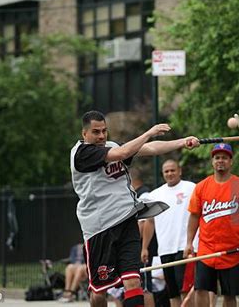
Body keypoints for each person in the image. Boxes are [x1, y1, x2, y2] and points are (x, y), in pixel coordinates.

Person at [70, 110, 199, 307]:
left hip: (127, 220)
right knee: (99, 292)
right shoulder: (82, 153)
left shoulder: (111, 145)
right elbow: (122, 153)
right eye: (96, 132)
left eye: (104, 131)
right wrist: (149, 131)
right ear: (84, 134)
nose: (102, 136)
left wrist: (182, 142)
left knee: (133, 281)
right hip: (99, 228)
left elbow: (150, 148)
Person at [184, 143, 239, 307]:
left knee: (229, 294)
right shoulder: (202, 187)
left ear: (231, 161)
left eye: (224, 157)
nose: (220, 161)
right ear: (212, 161)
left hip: (233, 251)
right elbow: (194, 216)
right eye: (217, 157)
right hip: (206, 250)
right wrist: (189, 243)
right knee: (200, 289)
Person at [141, 159, 196, 307]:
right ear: (163, 174)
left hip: (185, 247)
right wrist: (145, 247)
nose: (170, 173)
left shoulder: (191, 188)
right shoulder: (155, 194)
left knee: (185, 290)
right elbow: (149, 222)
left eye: (173, 170)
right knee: (172, 292)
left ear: (179, 171)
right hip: (165, 248)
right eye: (166, 171)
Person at [130, 168, 157, 307]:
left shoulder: (144, 195)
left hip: (142, 248)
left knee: (145, 286)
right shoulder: (135, 195)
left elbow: (145, 222)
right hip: (137, 248)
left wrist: (143, 247)